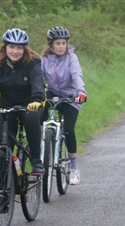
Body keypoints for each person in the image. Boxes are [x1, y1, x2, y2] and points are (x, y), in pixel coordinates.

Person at [0, 28, 46, 176]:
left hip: (29, 104)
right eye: (12, 47)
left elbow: (38, 81)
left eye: (19, 47)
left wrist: (37, 99)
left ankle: (36, 161)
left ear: (25, 49)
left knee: (31, 119)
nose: (15, 51)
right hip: (6, 106)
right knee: (4, 148)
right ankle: (1, 194)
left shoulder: (33, 62)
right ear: (5, 48)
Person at [41, 26, 87, 185]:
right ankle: (41, 147)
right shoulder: (44, 60)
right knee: (40, 111)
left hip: (71, 96)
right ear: (50, 45)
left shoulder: (71, 58)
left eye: (63, 43)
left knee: (68, 129)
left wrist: (81, 92)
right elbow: (37, 78)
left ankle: (74, 168)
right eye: (58, 43)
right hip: (53, 93)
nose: (61, 46)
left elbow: (76, 75)